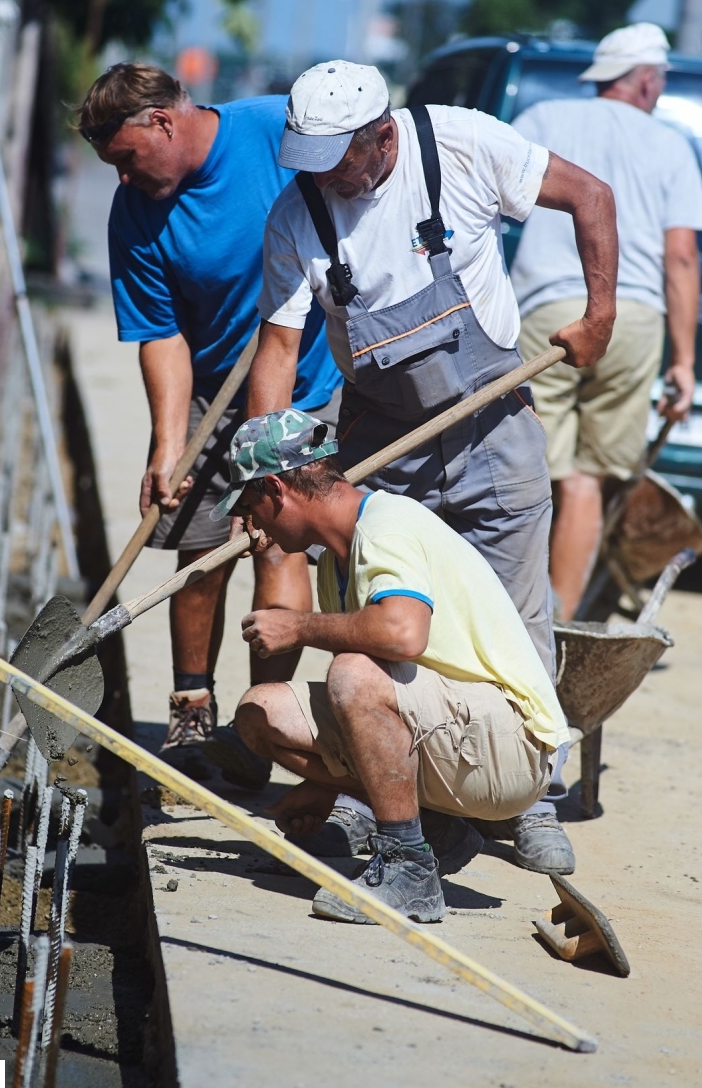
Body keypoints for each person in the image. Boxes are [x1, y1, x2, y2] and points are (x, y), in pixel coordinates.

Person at [245, 60, 618, 874]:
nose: (324, 181)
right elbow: (277, 349)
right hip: (386, 443)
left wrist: (599, 312)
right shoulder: (298, 215)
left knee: (517, 615)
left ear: (381, 138)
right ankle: (391, 793)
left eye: (337, 161)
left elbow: (592, 195)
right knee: (384, 624)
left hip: (493, 424)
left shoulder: (459, 143)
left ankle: (532, 800)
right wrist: (264, 473)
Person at [75, 63, 341, 782]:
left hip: (304, 385)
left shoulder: (274, 130)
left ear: (163, 121)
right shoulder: (135, 210)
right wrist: (168, 443)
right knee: (197, 552)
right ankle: (193, 710)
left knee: (275, 549)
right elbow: (159, 332)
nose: (123, 178)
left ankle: (260, 722)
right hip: (210, 385)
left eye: (127, 158)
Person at [212, 409, 570, 922]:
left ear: (275, 489)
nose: (250, 525)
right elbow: (368, 716)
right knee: (259, 712)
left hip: (512, 748)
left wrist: (297, 627)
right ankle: (432, 831)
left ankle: (409, 869)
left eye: (249, 507)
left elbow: (402, 633)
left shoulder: (385, 525)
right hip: (456, 733)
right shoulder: (338, 559)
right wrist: (324, 786)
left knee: (352, 673)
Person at [512, 23, 702, 620]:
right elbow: (680, 257)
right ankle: (559, 629)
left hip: (546, 309)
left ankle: (510, 614)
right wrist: (682, 361)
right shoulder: (671, 145)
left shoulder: (542, 120)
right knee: (587, 481)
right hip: (634, 318)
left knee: (526, 474)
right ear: (647, 79)